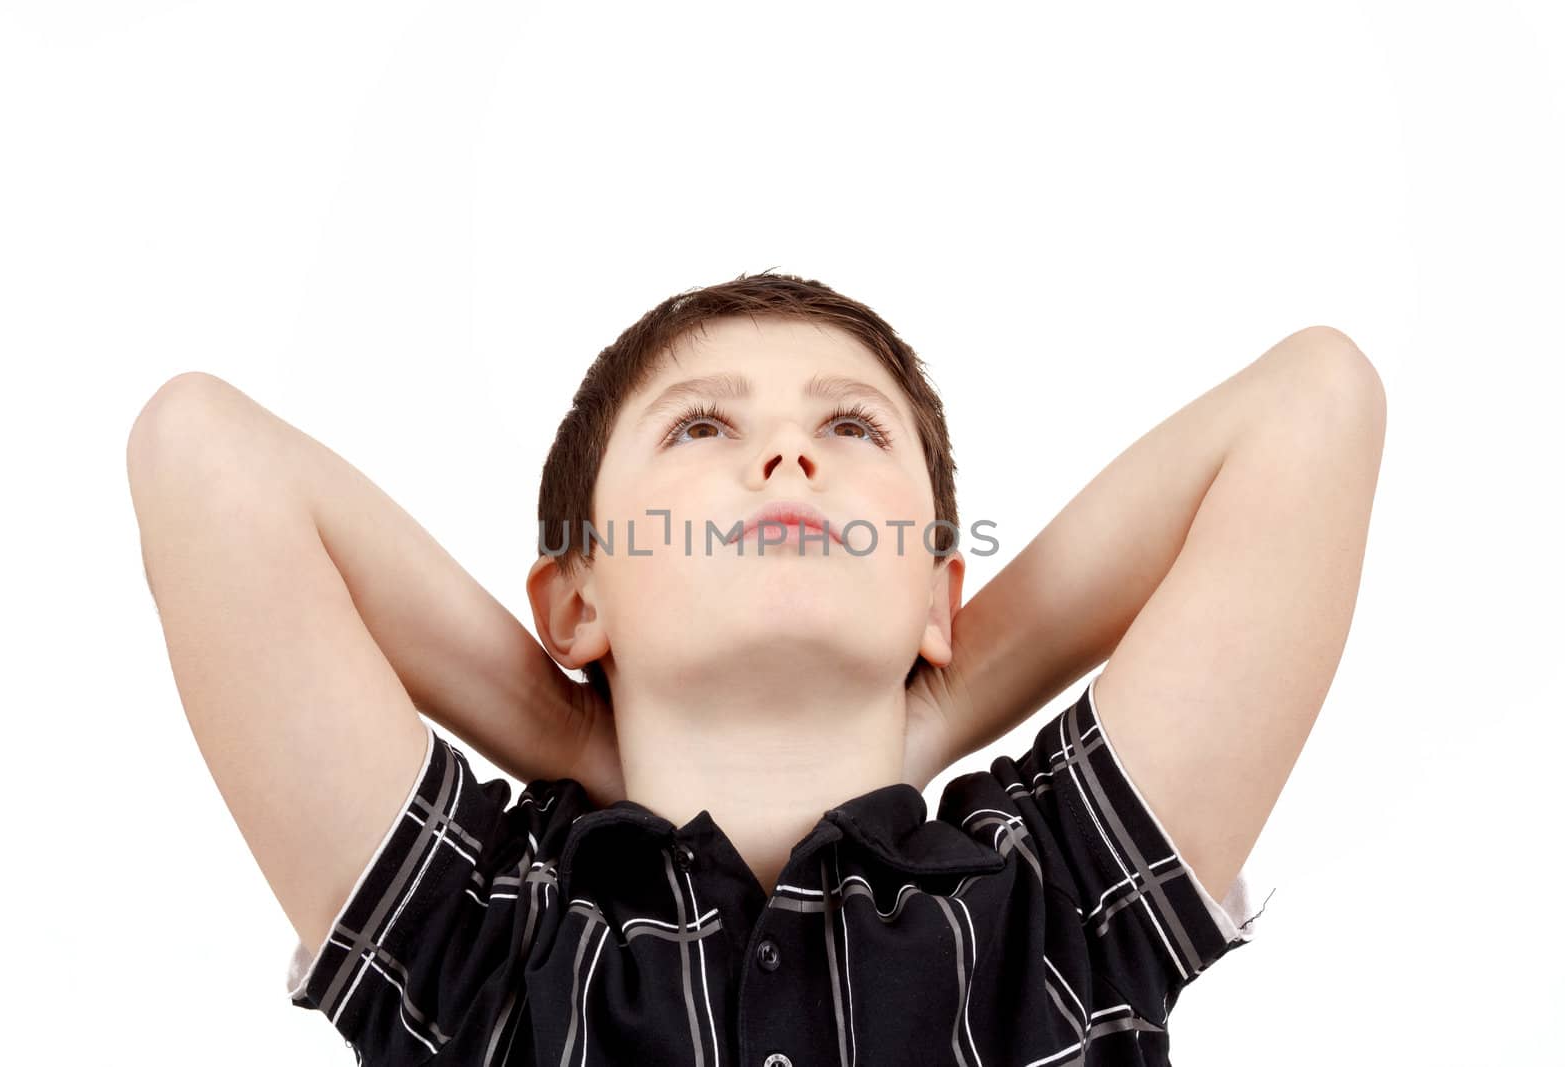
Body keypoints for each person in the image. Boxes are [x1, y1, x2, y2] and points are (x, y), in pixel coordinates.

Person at [126, 271, 1385, 1065]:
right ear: (577, 601)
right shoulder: (488, 938)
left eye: (849, 424)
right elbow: (204, 459)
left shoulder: (1048, 906)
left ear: (939, 596)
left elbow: (1314, 407)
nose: (787, 453)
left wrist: (931, 710)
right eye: (702, 425)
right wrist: (569, 737)